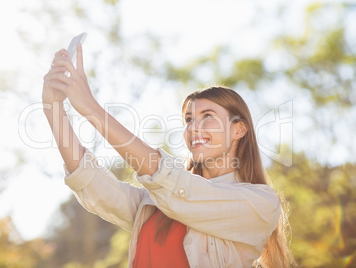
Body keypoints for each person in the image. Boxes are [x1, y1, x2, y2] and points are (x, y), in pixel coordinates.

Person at [42, 44, 295, 267]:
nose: (193, 127)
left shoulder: (261, 203)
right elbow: (92, 183)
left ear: (239, 129)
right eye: (188, 119)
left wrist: (90, 107)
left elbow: (177, 187)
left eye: (207, 116)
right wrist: (53, 109)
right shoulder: (154, 202)